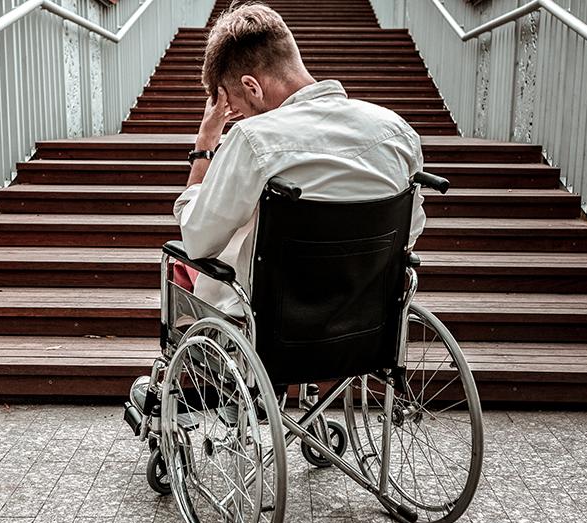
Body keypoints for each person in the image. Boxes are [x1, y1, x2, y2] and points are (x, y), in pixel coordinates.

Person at [174, 2, 426, 315]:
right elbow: (409, 233)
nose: (241, 118)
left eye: (239, 108)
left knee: (181, 266)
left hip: (273, 321)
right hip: (362, 316)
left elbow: (198, 240)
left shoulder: (255, 138)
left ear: (251, 86)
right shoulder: (397, 132)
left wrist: (205, 146)